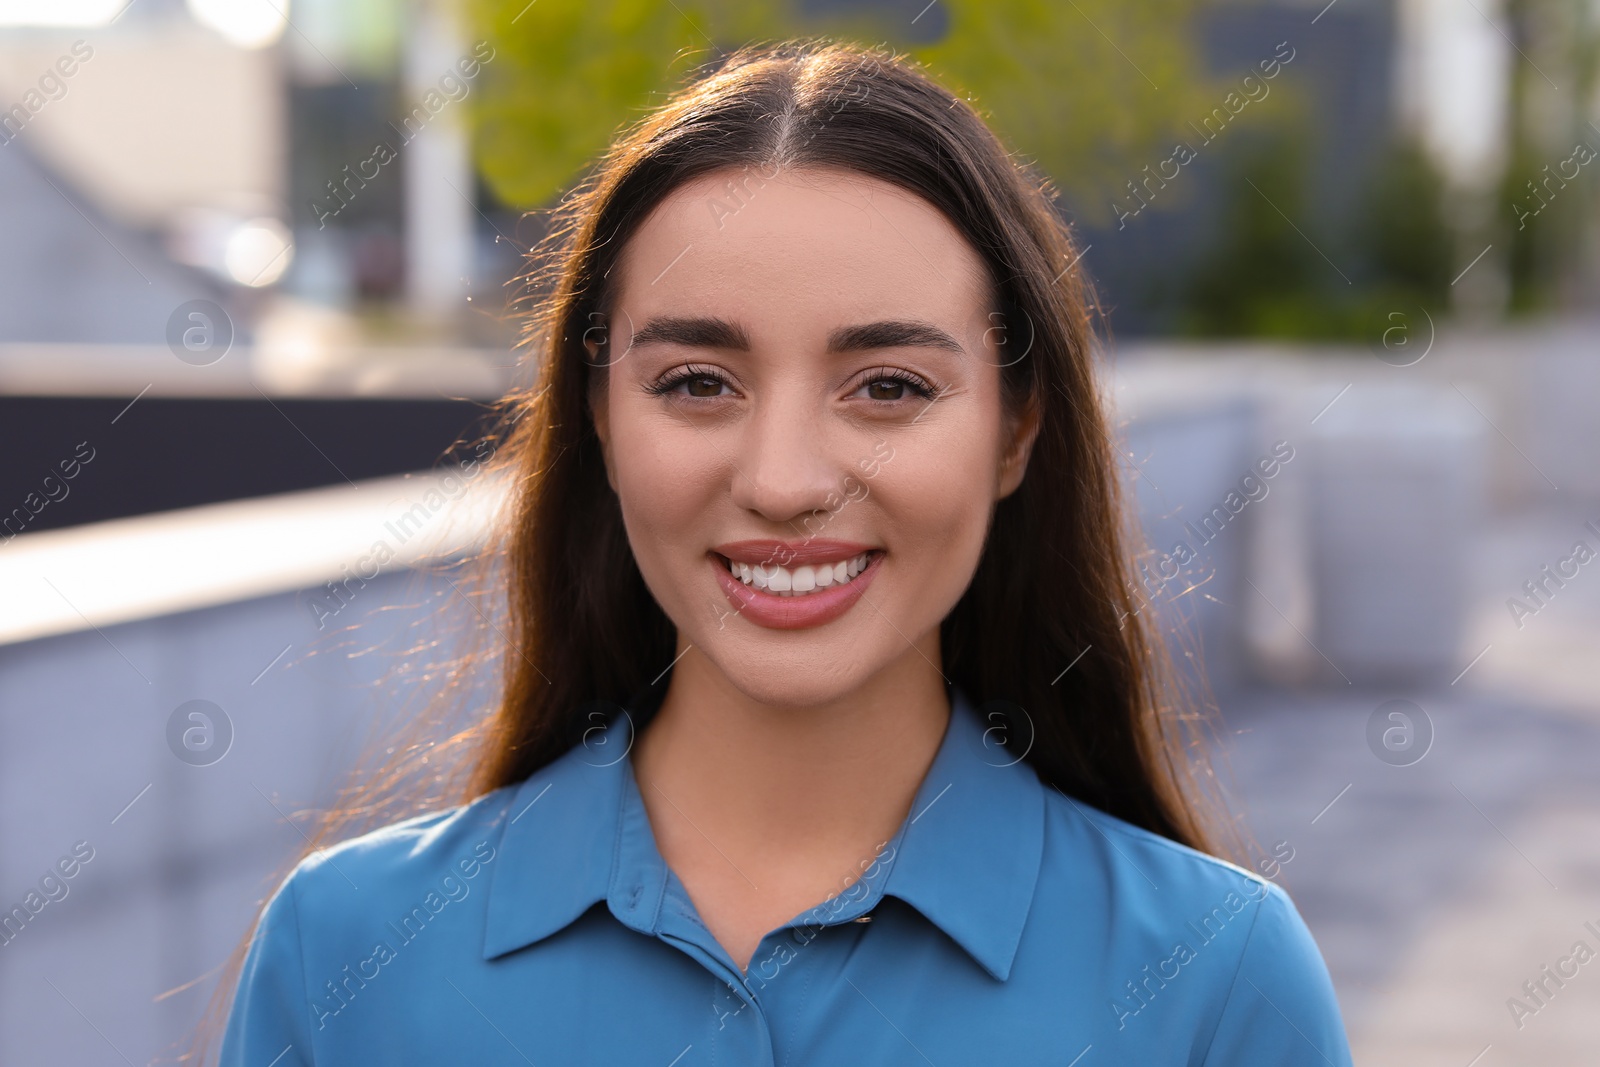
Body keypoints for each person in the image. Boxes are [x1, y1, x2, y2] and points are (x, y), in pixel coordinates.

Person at [215, 39, 1352, 1065]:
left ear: (1015, 427)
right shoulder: (342, 958)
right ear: (601, 418)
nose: (784, 481)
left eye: (889, 387)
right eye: (697, 383)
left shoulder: (1215, 980)